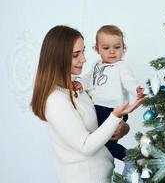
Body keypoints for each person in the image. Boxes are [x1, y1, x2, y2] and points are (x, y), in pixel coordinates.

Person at [31, 25, 143, 183]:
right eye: (76, 54)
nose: (83, 59)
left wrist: (122, 127)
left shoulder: (79, 87)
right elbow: (86, 145)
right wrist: (115, 116)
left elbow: (99, 128)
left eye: (83, 51)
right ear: (59, 58)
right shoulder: (56, 100)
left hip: (103, 175)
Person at [73, 25, 143, 164]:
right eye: (106, 48)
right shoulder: (96, 65)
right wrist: (80, 83)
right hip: (98, 108)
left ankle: (132, 159)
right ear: (96, 49)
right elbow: (88, 78)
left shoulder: (121, 67)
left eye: (117, 47)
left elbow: (129, 81)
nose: (112, 52)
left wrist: (136, 90)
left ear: (124, 48)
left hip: (113, 110)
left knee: (107, 143)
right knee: (97, 140)